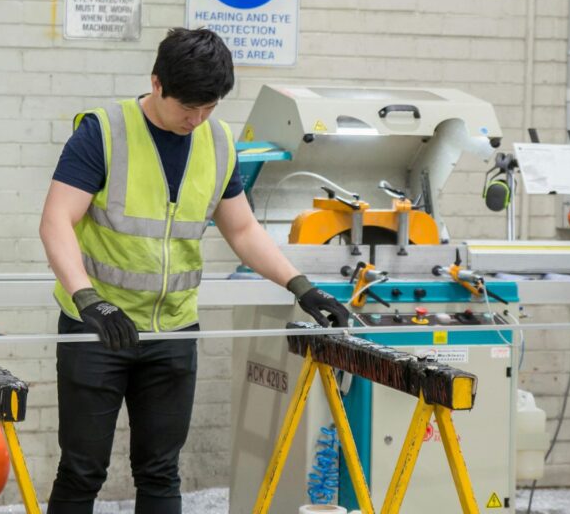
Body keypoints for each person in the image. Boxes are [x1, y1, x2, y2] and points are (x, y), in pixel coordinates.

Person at [39, 27, 349, 514]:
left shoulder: (218, 141)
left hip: (174, 331)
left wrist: (301, 286)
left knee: (161, 470)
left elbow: (243, 230)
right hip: (98, 327)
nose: (197, 119)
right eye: (189, 107)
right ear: (157, 83)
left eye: (210, 108)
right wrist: (86, 298)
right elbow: (56, 219)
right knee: (82, 469)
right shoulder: (103, 131)